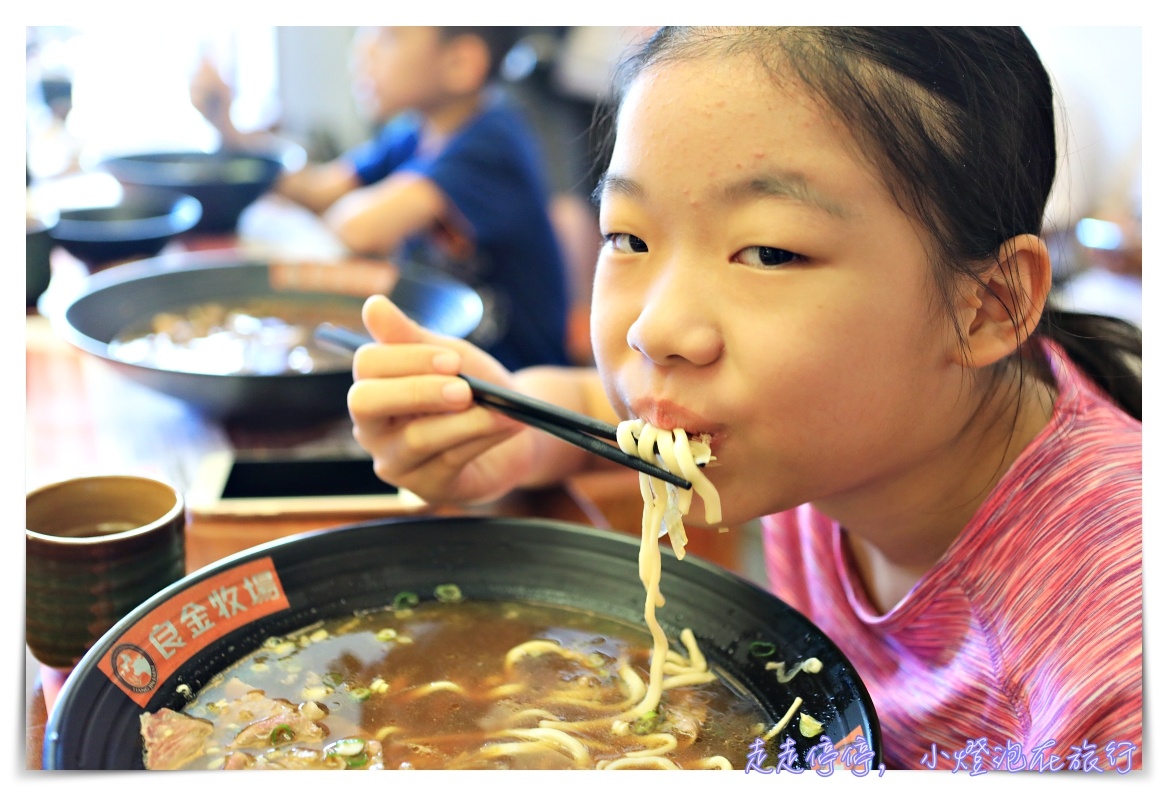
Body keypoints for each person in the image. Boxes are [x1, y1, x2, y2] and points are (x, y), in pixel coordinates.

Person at [345, 27, 1142, 771]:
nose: (656, 331)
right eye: (628, 237)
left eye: (767, 251)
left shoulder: (1117, 668)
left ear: (988, 306)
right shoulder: (833, 424)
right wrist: (518, 429)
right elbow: (602, 399)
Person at [191, 26, 571, 371]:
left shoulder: (492, 141)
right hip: (451, 355)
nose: (363, 48)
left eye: (389, 36)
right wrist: (226, 126)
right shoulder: (413, 131)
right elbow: (316, 189)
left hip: (518, 374)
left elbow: (358, 228)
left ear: (460, 63)